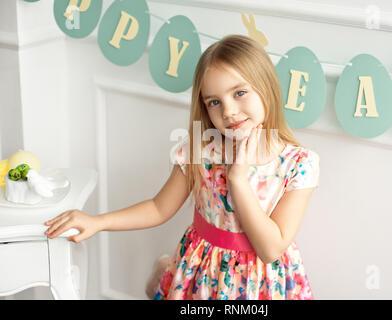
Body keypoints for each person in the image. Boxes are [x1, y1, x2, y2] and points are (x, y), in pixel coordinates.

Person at [44, 34, 320, 300]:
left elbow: (271, 248)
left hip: (261, 283)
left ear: (267, 87)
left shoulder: (298, 164)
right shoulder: (200, 150)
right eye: (214, 102)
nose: (229, 112)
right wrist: (97, 222)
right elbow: (159, 207)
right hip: (203, 273)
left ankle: (159, 274)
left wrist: (238, 180)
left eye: (240, 93)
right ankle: (161, 276)